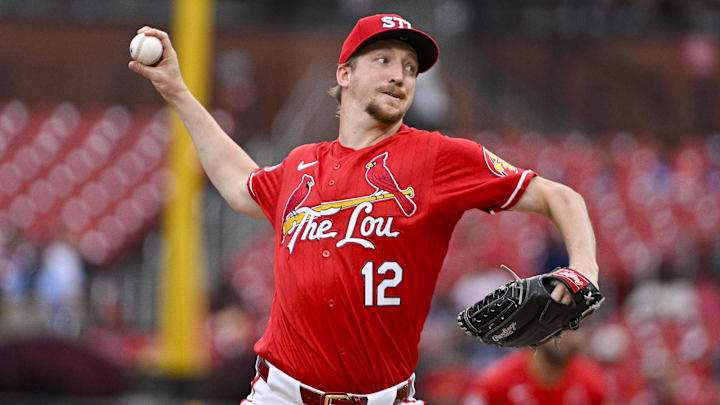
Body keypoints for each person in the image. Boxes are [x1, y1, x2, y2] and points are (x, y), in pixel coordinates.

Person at [129, 13, 601, 405]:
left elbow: (561, 196)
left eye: (411, 68)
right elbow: (238, 185)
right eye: (384, 60)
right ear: (345, 74)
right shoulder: (302, 165)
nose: (400, 75)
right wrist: (175, 89)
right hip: (279, 395)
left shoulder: (436, 158)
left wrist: (584, 270)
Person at [460, 330, 608, 405]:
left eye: (573, 325)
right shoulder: (494, 384)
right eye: (556, 324)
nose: (564, 335)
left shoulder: (593, 384)